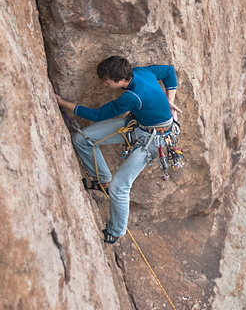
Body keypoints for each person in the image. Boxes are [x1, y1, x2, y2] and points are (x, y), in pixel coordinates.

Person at [55, 56, 181, 244]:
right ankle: (102, 181)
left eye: (107, 82)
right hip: (138, 126)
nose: (105, 85)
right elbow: (169, 71)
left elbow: (97, 115)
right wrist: (169, 99)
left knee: (120, 187)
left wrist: (62, 103)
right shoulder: (141, 71)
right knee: (82, 139)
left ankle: (116, 231)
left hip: (154, 141)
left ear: (121, 80)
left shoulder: (132, 96)